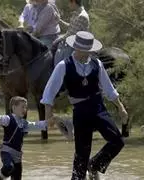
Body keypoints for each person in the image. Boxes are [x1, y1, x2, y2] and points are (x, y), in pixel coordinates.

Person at [40, 31, 127, 180]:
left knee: (117, 141)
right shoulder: (64, 65)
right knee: (81, 154)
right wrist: (48, 116)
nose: (88, 53)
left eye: (90, 50)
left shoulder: (96, 63)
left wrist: (120, 107)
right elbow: (49, 92)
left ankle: (94, 165)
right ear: (77, 48)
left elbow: (109, 88)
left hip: (98, 107)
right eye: (85, 50)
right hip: (80, 111)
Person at [0, 96, 48, 180]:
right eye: (22, 107)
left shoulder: (24, 123)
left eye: (25, 108)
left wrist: (49, 122)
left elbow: (36, 125)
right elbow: (1, 118)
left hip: (18, 156)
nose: (24, 110)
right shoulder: (8, 119)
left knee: (17, 177)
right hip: (7, 151)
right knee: (9, 167)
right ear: (14, 108)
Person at [52, 0, 89, 65]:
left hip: (73, 48)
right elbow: (71, 27)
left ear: (74, 2)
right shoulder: (77, 14)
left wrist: (57, 40)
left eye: (69, 2)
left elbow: (71, 34)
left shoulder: (81, 16)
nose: (68, 5)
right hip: (69, 45)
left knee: (61, 67)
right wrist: (59, 21)